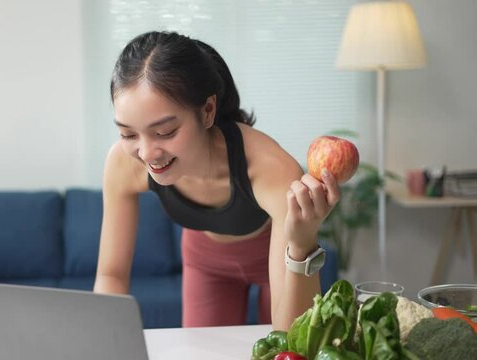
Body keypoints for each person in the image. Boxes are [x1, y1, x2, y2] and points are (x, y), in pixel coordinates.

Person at [93, 31, 340, 331]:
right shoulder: (123, 162)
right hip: (204, 258)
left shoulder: (269, 168)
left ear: (207, 110)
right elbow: (111, 276)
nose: (146, 153)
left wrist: (302, 244)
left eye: (165, 132)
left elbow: (292, 334)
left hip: (275, 255)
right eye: (128, 134)